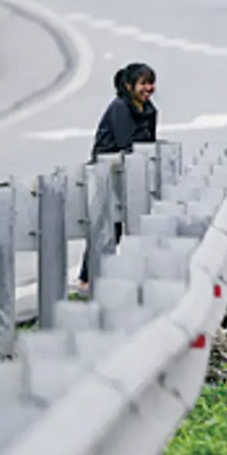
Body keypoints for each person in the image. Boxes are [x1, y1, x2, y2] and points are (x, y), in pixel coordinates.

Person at [75, 62, 159, 291]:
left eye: (151, 83)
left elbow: (148, 143)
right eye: (143, 83)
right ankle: (87, 278)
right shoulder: (120, 108)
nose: (148, 88)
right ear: (128, 85)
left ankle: (102, 276)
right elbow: (126, 142)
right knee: (105, 226)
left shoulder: (149, 109)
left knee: (120, 224)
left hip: (130, 171)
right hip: (106, 172)